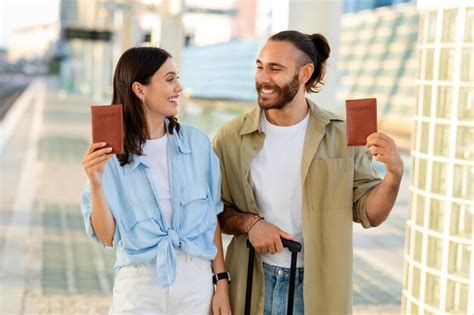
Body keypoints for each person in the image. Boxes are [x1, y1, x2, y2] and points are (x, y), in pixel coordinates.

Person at [212, 30, 403, 314]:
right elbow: (214, 214)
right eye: (260, 66)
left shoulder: (340, 135)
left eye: (275, 69)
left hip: (319, 289)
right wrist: (250, 224)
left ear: (305, 74)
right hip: (251, 284)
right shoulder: (230, 137)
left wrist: (393, 175)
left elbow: (369, 214)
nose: (263, 78)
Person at [81, 47, 231, 315]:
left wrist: (221, 284)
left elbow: (212, 220)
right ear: (140, 90)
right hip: (139, 285)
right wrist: (95, 182)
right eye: (170, 79)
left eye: (177, 78)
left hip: (195, 281)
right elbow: (106, 237)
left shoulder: (197, 144)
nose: (179, 87)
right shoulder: (110, 155)